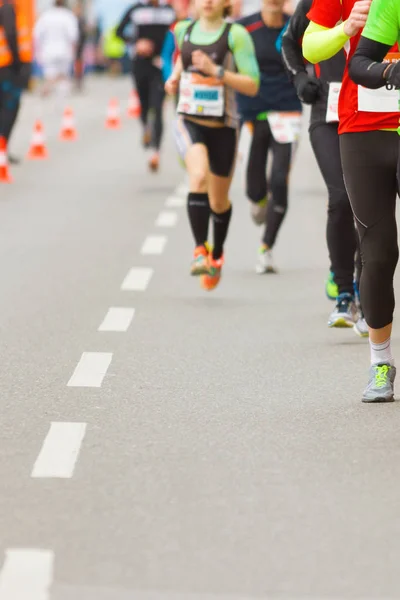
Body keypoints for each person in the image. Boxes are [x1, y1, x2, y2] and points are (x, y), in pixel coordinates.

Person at [302, 0, 399, 403]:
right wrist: (344, 29)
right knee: (377, 254)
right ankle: (381, 363)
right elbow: (310, 48)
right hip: (362, 129)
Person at [280, 0, 367, 336]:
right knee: (341, 197)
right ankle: (344, 292)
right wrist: (300, 78)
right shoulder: (320, 2)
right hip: (326, 113)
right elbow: (290, 42)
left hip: (367, 112)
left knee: (366, 203)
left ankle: (364, 287)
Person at [165, 0, 259, 291]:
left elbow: (252, 84)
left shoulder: (236, 35)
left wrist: (217, 72)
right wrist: (175, 76)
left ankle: (216, 253)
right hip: (189, 120)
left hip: (224, 126)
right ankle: (198, 251)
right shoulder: (183, 29)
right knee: (198, 176)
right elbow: (183, 56)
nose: (207, 2)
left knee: (219, 201)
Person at [236, 0, 302, 275]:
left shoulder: (295, 27)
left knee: (279, 179)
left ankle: (267, 247)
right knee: (255, 188)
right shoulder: (244, 29)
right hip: (253, 113)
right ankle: (259, 200)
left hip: (288, 112)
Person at [116, 0, 176, 172]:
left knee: (157, 108)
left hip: (160, 66)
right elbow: (119, 31)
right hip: (140, 64)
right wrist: (136, 43)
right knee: (144, 105)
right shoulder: (136, 10)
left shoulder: (169, 11)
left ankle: (155, 153)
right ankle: (145, 128)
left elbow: (178, 35)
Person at [0, 0, 32, 164]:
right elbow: (11, 33)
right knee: (9, 109)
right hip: (7, 67)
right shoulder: (7, 8)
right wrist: (19, 64)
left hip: (6, 65)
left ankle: (3, 149)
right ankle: (2, 149)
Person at [34, 0, 79, 99]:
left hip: (48, 50)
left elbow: (37, 34)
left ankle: (47, 91)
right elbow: (73, 36)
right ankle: (62, 99)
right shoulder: (68, 16)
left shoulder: (45, 16)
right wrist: (74, 53)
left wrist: (38, 51)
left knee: (49, 76)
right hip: (64, 50)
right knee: (63, 76)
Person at [73, 0, 86, 91]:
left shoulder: (81, 20)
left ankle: (79, 81)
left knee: (79, 63)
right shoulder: (73, 19)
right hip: (74, 45)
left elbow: (83, 34)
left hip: (79, 45)